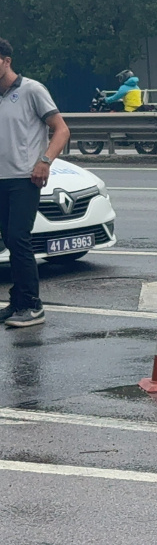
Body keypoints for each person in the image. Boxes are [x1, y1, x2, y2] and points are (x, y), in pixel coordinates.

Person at [0, 38, 71, 328]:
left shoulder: (31, 89)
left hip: (24, 178)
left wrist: (44, 161)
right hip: (1, 179)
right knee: (9, 241)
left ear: (6, 60)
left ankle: (32, 305)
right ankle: (17, 301)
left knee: (19, 238)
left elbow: (61, 129)